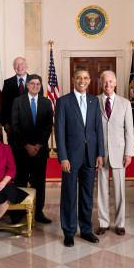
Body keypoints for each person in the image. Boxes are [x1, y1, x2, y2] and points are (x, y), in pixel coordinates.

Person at [55, 68, 104, 247]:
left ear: (89, 81)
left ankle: (85, 230)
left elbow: (98, 128)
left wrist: (100, 153)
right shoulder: (63, 101)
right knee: (68, 194)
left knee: (86, 195)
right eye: (78, 78)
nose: (82, 81)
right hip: (71, 156)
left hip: (90, 156)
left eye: (85, 78)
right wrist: (63, 157)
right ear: (73, 80)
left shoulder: (93, 101)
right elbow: (59, 132)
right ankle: (69, 231)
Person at [95, 71, 134, 236]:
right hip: (100, 153)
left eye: (110, 81)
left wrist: (129, 153)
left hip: (119, 152)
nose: (108, 85)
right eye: (105, 82)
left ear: (115, 83)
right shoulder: (93, 102)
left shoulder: (125, 103)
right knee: (102, 190)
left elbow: (129, 130)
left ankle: (120, 223)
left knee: (119, 190)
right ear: (101, 84)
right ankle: (103, 223)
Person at [11, 74, 53, 224]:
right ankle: (17, 212)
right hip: (22, 150)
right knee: (20, 181)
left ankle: (38, 212)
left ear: (40, 86)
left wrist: (38, 145)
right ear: (27, 85)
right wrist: (27, 145)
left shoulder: (47, 103)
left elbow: (48, 126)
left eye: (38, 84)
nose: (35, 86)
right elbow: (15, 126)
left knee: (39, 183)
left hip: (40, 151)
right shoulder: (18, 102)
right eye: (33, 83)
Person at [1, 57, 43, 156]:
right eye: (16, 64)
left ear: (26, 66)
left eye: (22, 64)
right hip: (13, 127)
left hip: (32, 126)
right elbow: (4, 104)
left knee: (32, 156)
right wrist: (6, 123)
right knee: (16, 156)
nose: (19, 67)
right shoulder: (7, 83)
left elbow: (40, 104)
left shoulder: (36, 82)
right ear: (13, 67)